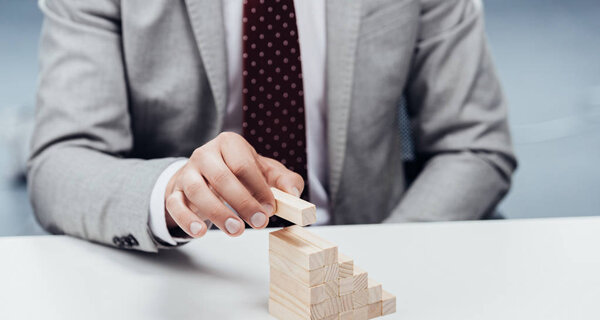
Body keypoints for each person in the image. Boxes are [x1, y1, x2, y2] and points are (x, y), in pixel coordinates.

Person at [28, 0, 517, 252]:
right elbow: (60, 163)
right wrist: (171, 194)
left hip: (366, 240)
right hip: (190, 266)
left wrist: (387, 256)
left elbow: (473, 145)